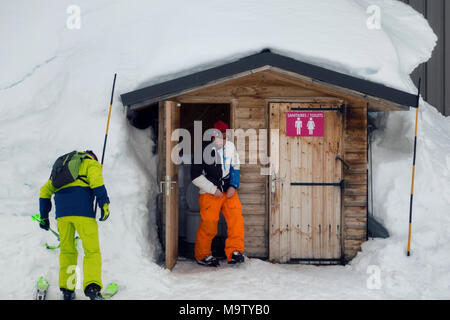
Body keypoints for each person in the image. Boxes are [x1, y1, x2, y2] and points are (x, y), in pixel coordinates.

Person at [38, 150, 110, 300]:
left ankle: (68, 290)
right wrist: (104, 204)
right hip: (83, 213)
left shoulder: (63, 169)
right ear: (93, 157)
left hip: (62, 216)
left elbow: (45, 191)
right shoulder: (91, 163)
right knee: (91, 251)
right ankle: (92, 288)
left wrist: (44, 217)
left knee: (67, 251)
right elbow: (97, 182)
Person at [191, 120, 245, 267]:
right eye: (221, 136)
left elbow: (235, 166)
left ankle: (234, 251)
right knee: (209, 224)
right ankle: (203, 255)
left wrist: (233, 186)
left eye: (225, 135)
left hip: (229, 192)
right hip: (210, 193)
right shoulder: (202, 150)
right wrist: (213, 190)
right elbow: (195, 176)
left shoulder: (230, 147)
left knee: (236, 220)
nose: (224, 138)